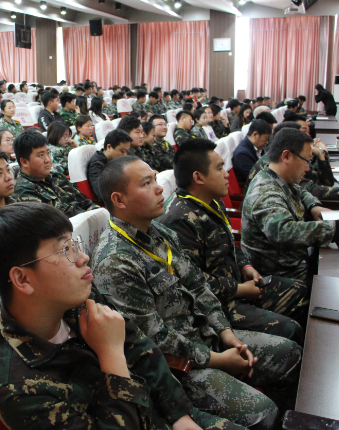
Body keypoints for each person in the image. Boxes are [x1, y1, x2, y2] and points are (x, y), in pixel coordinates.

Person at [0, 201, 243, 430]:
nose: (83, 258)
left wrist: (179, 415)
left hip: (161, 413)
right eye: (65, 250)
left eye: (75, 245)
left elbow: (141, 347)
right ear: (22, 279)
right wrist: (111, 354)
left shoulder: (78, 296)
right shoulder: (18, 391)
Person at [91, 156, 303, 429]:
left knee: (290, 353)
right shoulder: (116, 262)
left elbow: (199, 287)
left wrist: (227, 335)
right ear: (119, 200)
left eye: (156, 179)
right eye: (147, 183)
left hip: (207, 336)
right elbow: (154, 338)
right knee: (264, 412)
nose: (159, 188)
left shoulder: (162, 233)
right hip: (180, 367)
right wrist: (217, 360)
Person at [159, 139, 306, 345]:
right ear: (198, 177)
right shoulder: (178, 220)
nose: (227, 173)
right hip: (217, 305)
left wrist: (245, 265)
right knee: (291, 330)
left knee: (301, 290)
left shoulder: (213, 200)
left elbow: (229, 243)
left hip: (238, 285)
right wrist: (239, 290)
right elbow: (192, 281)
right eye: (220, 168)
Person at [241, 128, 339, 283]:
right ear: (286, 156)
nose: (308, 168)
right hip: (279, 277)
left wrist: (313, 206)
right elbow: (285, 233)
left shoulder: (277, 177)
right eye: (306, 161)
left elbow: (300, 191)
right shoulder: (265, 192)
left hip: (294, 264)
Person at [12, 131, 99, 217]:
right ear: (24, 162)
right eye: (41, 155)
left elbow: (84, 203)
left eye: (48, 153)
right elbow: (55, 225)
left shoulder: (56, 176)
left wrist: (101, 215)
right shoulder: (24, 191)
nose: (48, 160)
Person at [87, 129, 131, 201]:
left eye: (126, 152)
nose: (124, 155)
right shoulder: (97, 165)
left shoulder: (114, 160)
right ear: (109, 147)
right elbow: (102, 194)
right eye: (122, 151)